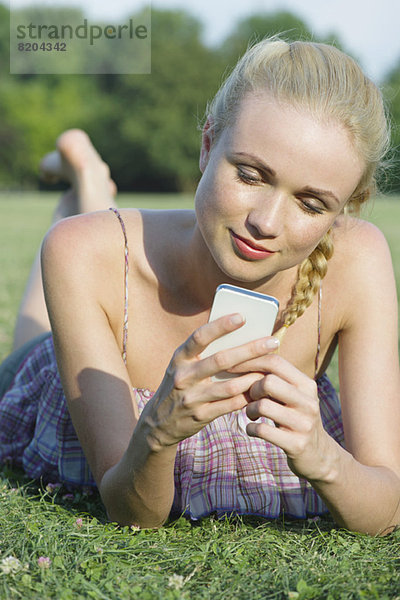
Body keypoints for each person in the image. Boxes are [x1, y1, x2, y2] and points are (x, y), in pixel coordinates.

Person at [0, 37, 399, 536]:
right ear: (208, 143)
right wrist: (157, 435)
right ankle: (87, 177)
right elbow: (131, 510)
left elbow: (385, 505)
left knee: (84, 231)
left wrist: (325, 458)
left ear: (346, 208)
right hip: (54, 365)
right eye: (250, 174)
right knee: (52, 289)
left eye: (312, 204)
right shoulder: (82, 252)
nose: (265, 223)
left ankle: (89, 182)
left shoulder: (358, 257)